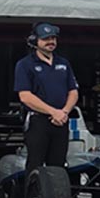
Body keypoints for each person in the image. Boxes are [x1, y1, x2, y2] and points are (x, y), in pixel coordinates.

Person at [14, 22, 79, 173]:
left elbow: (73, 91)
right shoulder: (25, 65)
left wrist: (64, 112)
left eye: (53, 38)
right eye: (45, 39)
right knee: (35, 164)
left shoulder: (63, 63)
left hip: (61, 121)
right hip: (38, 122)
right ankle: (32, 189)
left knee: (58, 166)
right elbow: (25, 96)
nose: (51, 42)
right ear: (34, 41)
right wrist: (53, 112)